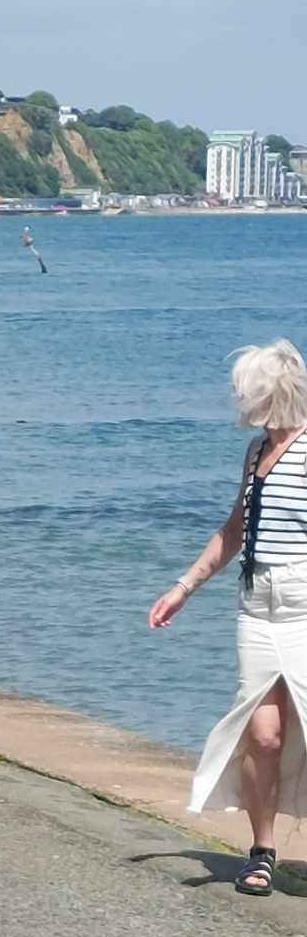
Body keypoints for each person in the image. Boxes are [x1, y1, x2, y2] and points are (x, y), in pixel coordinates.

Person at [150, 340, 307, 895]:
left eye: (244, 388)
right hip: (255, 605)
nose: (238, 398)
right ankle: (262, 851)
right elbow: (236, 527)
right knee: (261, 735)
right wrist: (184, 587)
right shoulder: (256, 451)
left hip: (304, 605)